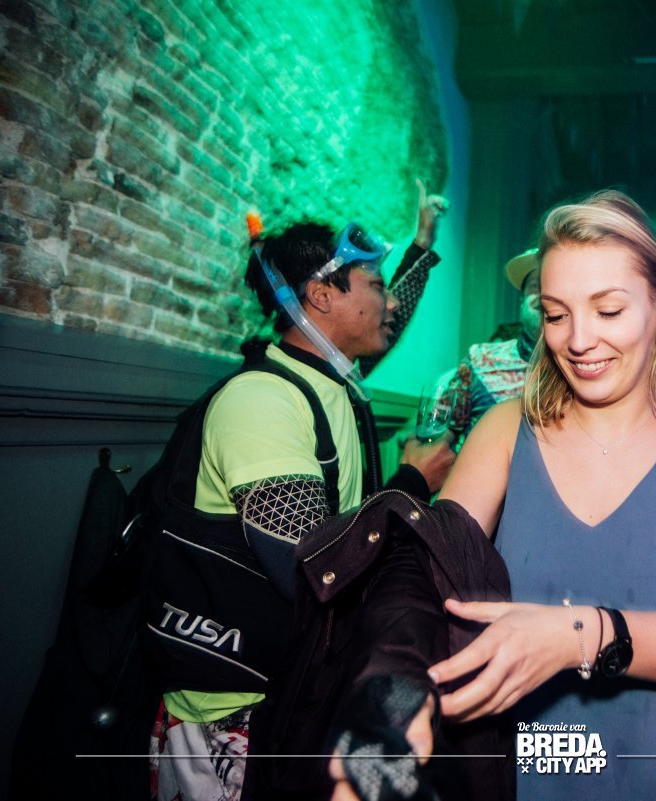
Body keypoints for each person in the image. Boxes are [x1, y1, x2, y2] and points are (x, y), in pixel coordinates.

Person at [428, 189, 656, 800]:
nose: (578, 340)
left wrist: (577, 637)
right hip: (514, 776)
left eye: (608, 311)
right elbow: (427, 583)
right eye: (556, 314)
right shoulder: (505, 430)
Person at [148, 190, 456, 801]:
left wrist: (423, 242)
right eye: (375, 285)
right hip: (233, 710)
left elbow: (389, 322)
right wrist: (413, 482)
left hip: (290, 684)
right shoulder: (262, 401)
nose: (389, 301)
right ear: (321, 295)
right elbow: (314, 566)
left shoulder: (330, 379)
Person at [446, 248, 542, 436]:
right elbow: (440, 434)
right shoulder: (480, 360)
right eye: (535, 285)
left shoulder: (585, 365)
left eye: (554, 285)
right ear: (521, 301)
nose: (546, 294)